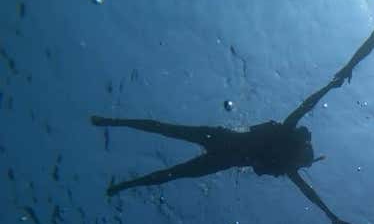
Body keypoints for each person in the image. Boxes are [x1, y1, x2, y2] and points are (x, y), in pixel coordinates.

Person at [89, 80, 338, 196]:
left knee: (170, 152)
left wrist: (330, 87)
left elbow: (306, 106)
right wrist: (329, 86)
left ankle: (124, 178)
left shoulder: (287, 162)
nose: (298, 160)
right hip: (222, 147)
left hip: (221, 147)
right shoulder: (287, 145)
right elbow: (306, 105)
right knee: (168, 139)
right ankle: (114, 129)